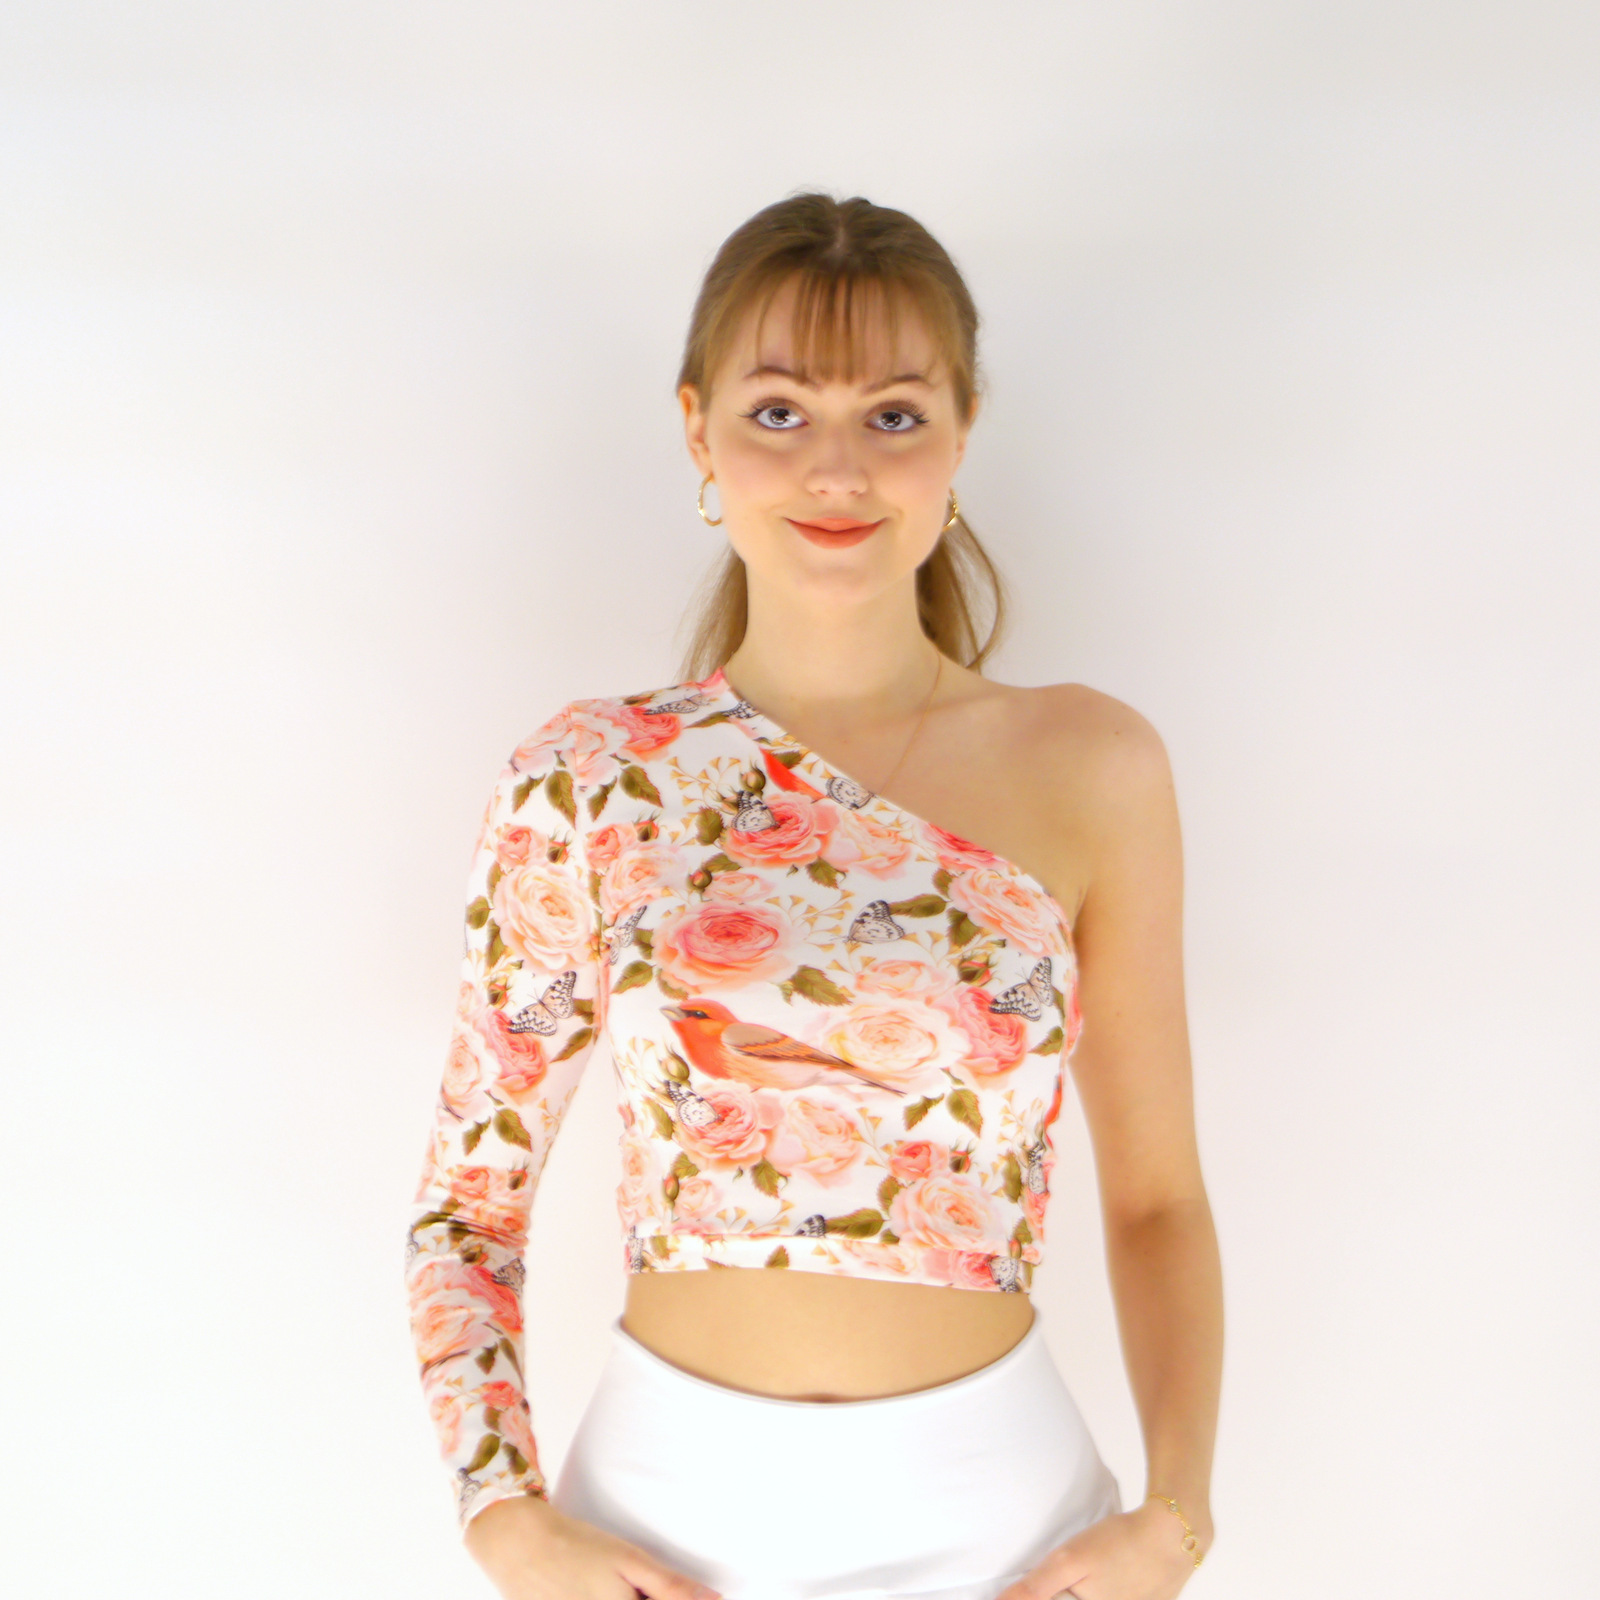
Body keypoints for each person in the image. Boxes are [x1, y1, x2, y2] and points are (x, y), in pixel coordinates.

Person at [405, 192, 1222, 1600]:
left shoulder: (1092, 765)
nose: (837, 469)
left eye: (893, 416)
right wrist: (502, 1516)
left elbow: (1158, 1200)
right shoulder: (590, 777)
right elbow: (467, 1210)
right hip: (661, 1533)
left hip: (1014, 1538)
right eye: (778, 412)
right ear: (698, 432)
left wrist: (1178, 1521)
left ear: (961, 433)